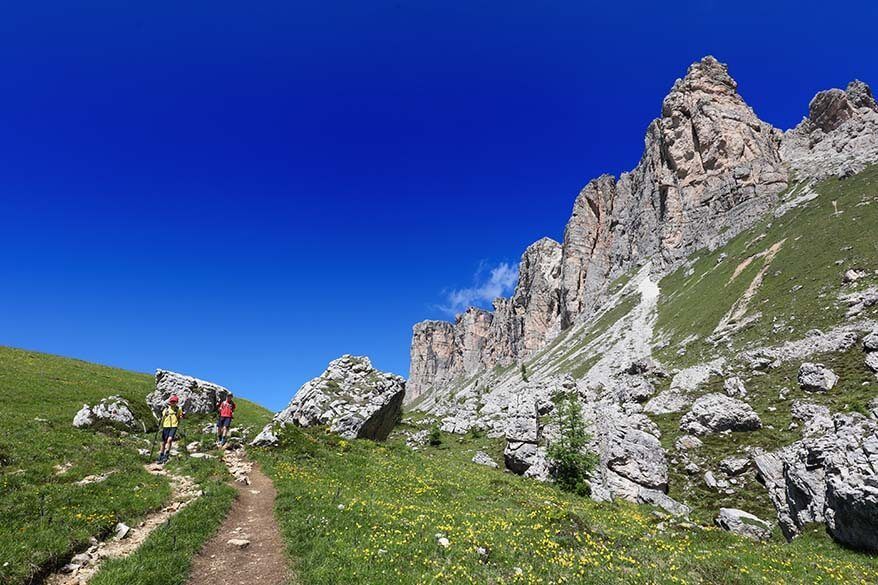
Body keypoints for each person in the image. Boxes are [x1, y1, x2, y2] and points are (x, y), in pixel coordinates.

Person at [157, 395, 184, 464]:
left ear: (176, 402)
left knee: (169, 439)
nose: (173, 402)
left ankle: (166, 454)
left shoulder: (178, 409)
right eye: (172, 401)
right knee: (163, 442)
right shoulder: (166, 409)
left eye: (174, 401)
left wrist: (181, 417)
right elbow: (163, 416)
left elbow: (180, 416)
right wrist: (165, 414)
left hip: (174, 426)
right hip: (165, 426)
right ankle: (161, 455)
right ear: (170, 402)